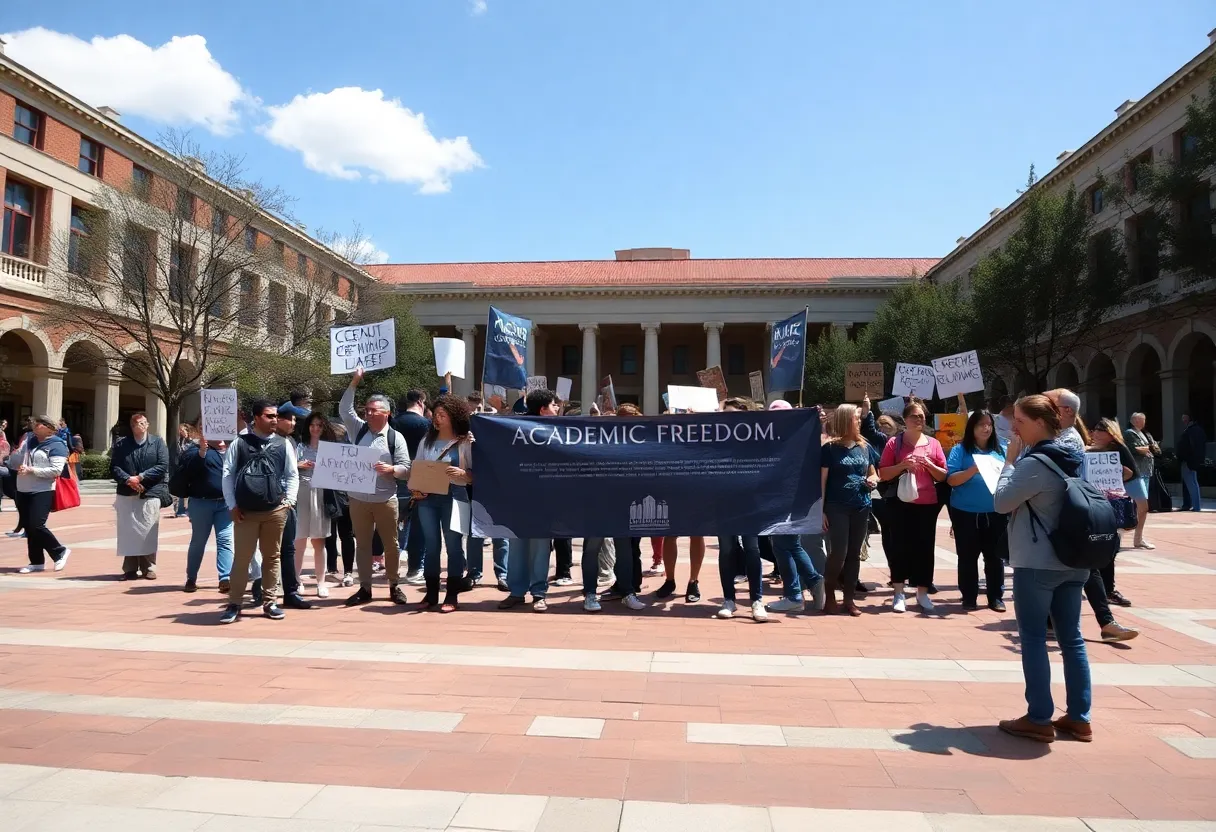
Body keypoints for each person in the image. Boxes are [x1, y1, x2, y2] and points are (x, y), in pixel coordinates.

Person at [993, 394, 1093, 743]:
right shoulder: (1074, 456)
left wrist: (1009, 462)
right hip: (1073, 559)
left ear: (1040, 423)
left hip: (1037, 562)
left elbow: (1002, 502)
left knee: (1034, 637)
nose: (1013, 427)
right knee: (1072, 638)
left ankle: (1039, 717)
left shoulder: (1034, 463)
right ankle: (1079, 717)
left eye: (1019, 420)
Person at [219, 399, 298, 623]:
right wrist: (232, 505)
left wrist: (289, 501)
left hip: (275, 510)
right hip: (245, 512)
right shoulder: (240, 443)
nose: (275, 420)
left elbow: (292, 474)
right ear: (256, 418)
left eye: (276, 416)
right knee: (242, 559)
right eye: (269, 416)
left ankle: (270, 601)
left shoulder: (284, 444)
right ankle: (234, 603)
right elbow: (227, 474)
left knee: (272, 558)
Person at [341, 368, 411, 607]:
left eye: (373, 410)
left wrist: (392, 470)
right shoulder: (357, 429)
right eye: (367, 410)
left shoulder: (395, 438)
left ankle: (393, 585)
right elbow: (344, 409)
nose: (369, 414)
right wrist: (355, 381)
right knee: (362, 544)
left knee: (391, 545)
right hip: (358, 500)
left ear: (387, 414)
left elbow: (406, 468)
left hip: (385, 499)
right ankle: (365, 588)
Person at [878, 399, 948, 612]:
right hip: (900, 502)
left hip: (927, 503)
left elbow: (944, 475)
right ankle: (899, 592)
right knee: (899, 546)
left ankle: (922, 592)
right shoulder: (894, 443)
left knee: (925, 548)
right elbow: (883, 473)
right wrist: (901, 466)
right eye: (914, 416)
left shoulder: (933, 443)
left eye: (921, 416)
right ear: (905, 420)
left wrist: (931, 465)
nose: (919, 419)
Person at [499, 388, 560, 612]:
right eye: (554, 405)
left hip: (545, 500)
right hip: (519, 498)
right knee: (517, 546)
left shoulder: (560, 430)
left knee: (540, 548)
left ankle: (538, 593)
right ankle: (516, 592)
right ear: (543, 409)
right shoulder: (514, 428)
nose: (557, 409)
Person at [411, 395, 474, 611]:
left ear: (453, 416)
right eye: (435, 415)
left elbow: (477, 473)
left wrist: (464, 473)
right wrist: (416, 487)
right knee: (431, 546)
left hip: (455, 496)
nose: (437, 419)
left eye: (442, 415)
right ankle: (430, 594)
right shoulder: (425, 440)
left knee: (454, 547)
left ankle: (452, 596)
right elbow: (417, 469)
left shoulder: (466, 442)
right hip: (428, 499)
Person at [817, 403, 877, 617]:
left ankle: (849, 599)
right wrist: (821, 510)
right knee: (838, 553)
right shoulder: (830, 449)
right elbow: (822, 481)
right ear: (845, 420)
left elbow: (873, 472)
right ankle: (830, 595)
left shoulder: (865, 446)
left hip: (861, 507)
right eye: (856, 418)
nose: (859, 422)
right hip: (836, 507)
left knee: (854, 554)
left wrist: (873, 479)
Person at [946, 408, 1008, 612]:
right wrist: (974, 468)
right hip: (965, 512)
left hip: (995, 512)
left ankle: (996, 597)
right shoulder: (960, 451)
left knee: (994, 556)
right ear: (972, 427)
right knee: (967, 556)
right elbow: (952, 480)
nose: (986, 428)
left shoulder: (1001, 450)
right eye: (981, 424)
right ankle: (969, 596)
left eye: (989, 424)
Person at [111, 413, 170, 580]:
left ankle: (149, 567)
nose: (141, 426)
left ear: (148, 424)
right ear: (132, 427)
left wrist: (141, 477)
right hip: (127, 491)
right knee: (128, 531)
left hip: (150, 491)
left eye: (144, 423)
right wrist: (127, 479)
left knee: (148, 531)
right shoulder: (122, 444)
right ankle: (129, 568)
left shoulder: (157, 443)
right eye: (137, 424)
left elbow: (162, 465)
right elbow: (114, 466)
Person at [1090, 418, 1138, 609]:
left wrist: (1111, 471)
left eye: (1100, 430)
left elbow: (1131, 473)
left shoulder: (1119, 448)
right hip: (1090, 503)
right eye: (1094, 430)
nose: (1095, 433)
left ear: (1111, 433)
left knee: (1110, 547)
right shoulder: (1087, 450)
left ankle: (1108, 589)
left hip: (1111, 503)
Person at [14, 415, 71, 573]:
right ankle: (36, 561)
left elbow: (56, 470)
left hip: (42, 490)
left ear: (49, 428)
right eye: (34, 423)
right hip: (23, 488)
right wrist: (20, 451)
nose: (35, 425)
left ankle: (59, 551)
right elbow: (15, 460)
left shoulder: (57, 445)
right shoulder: (29, 441)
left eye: (39, 424)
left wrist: (32, 470)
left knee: (36, 525)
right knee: (29, 527)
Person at [180, 427, 233, 593]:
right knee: (198, 541)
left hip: (224, 504)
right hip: (201, 503)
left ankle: (225, 577)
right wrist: (202, 451)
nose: (220, 438)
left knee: (225, 540)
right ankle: (191, 578)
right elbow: (189, 469)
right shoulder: (194, 451)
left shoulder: (231, 451)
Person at [274, 406, 313, 610]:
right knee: (266, 549)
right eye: (289, 419)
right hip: (268, 502)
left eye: (295, 420)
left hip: (287, 503)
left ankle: (290, 591)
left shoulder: (291, 441)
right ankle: (261, 588)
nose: (293, 423)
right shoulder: (264, 441)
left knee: (288, 548)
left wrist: (289, 500)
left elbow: (291, 473)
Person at [391, 389, 431, 585]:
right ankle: (415, 569)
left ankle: (393, 567)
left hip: (396, 476)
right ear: (421, 401)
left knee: (396, 524)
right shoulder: (426, 424)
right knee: (418, 525)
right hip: (420, 477)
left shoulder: (395, 422)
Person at [296, 413, 336, 598]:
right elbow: (291, 467)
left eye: (319, 425)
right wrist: (299, 465)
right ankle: (296, 580)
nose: (315, 428)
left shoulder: (330, 449)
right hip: (301, 492)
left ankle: (321, 582)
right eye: (312, 425)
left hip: (321, 494)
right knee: (299, 540)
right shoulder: (300, 446)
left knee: (319, 541)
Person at [325, 422, 356, 587]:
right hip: (342, 497)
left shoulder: (349, 454)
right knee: (344, 535)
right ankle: (345, 571)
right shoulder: (349, 452)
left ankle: (334, 568)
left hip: (338, 497)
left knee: (333, 534)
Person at [1122, 413, 1158, 548]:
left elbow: (1154, 448)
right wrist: (1147, 448)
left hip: (1145, 471)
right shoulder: (1130, 433)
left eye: (1144, 420)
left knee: (1142, 507)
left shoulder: (1143, 433)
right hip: (1136, 473)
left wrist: (1148, 448)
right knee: (1136, 506)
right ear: (1133, 421)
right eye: (1140, 420)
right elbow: (1136, 449)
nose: (1143, 422)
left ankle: (1138, 538)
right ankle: (1127, 535)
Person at [1178, 413, 1206, 512]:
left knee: (1191, 484)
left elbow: (1186, 447)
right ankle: (1193, 505)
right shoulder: (1198, 430)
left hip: (1188, 461)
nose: (1183, 420)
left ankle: (1195, 506)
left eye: (1185, 418)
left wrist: (1182, 457)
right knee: (1193, 483)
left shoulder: (1190, 431)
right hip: (1194, 461)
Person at [174, 424, 193, 517]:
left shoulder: (192, 442)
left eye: (182, 431)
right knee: (181, 488)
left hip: (190, 466)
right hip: (181, 467)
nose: (181, 433)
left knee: (191, 489)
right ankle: (180, 509)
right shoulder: (179, 442)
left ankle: (189, 509)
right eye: (180, 431)